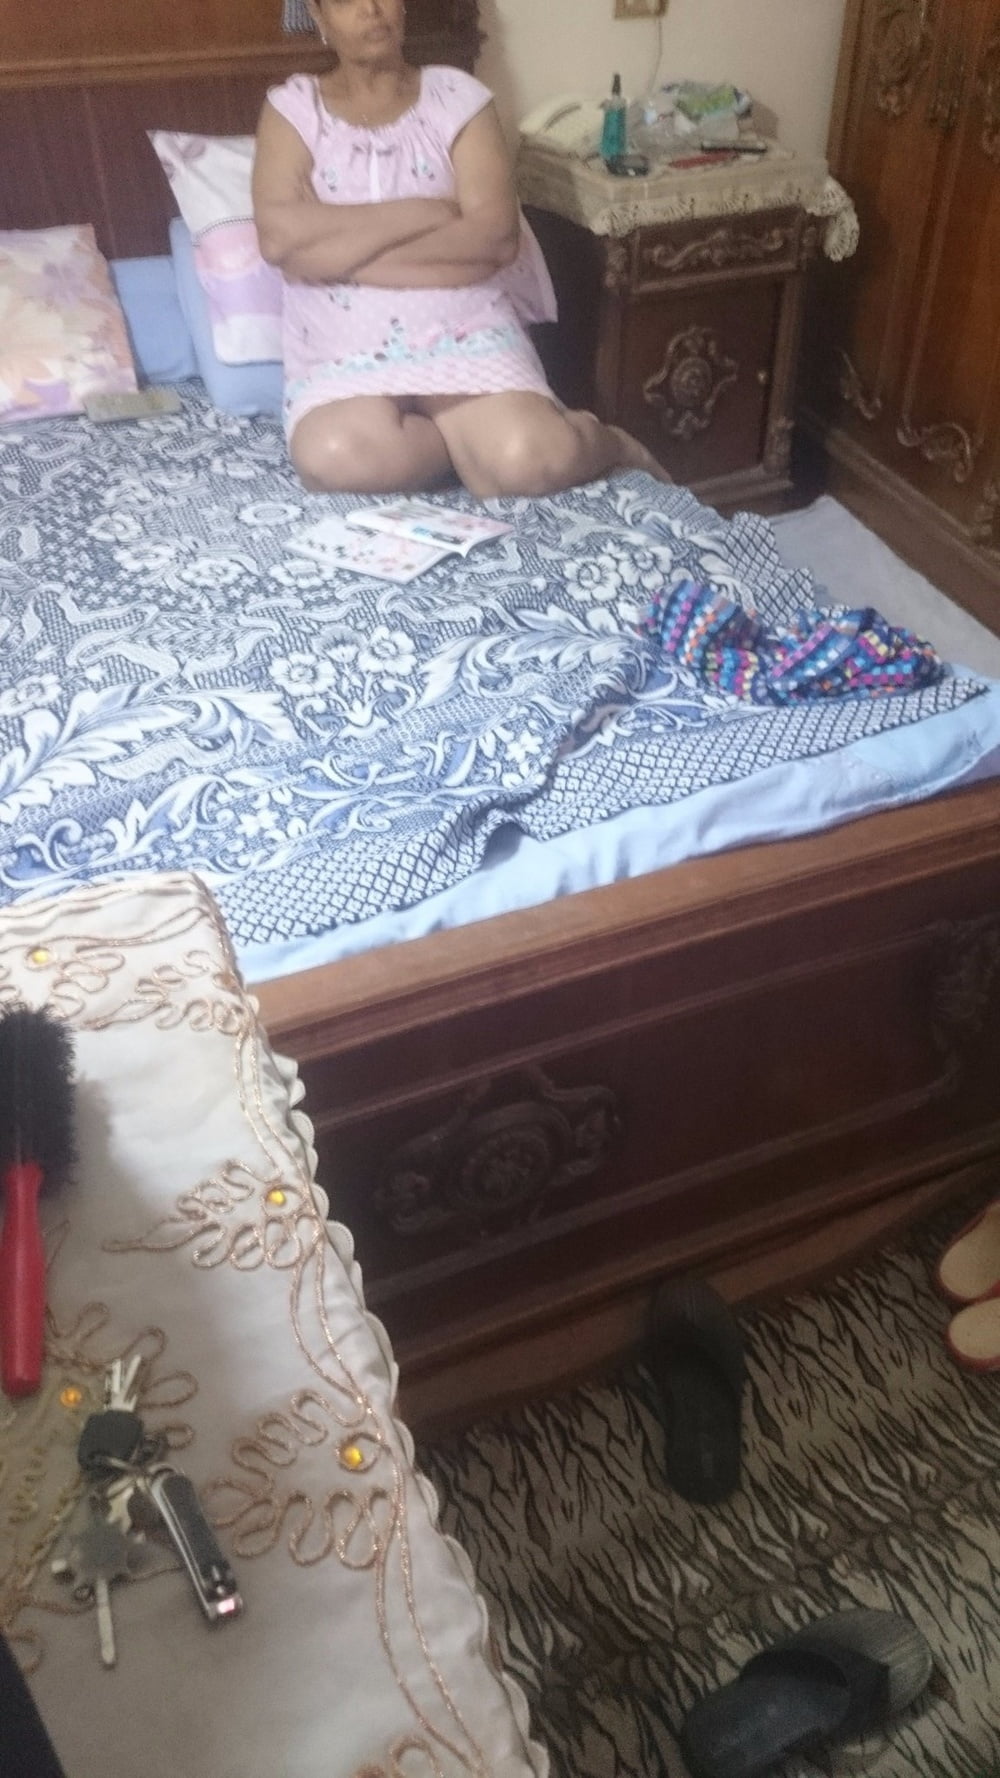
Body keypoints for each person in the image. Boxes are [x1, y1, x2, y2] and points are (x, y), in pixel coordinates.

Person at [252, 0, 670, 499]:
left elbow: (495, 239)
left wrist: (334, 256)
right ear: (319, 16)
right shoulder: (294, 109)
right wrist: (423, 211)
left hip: (463, 326)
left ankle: (611, 443)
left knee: (528, 461)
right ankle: (468, 450)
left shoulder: (457, 98)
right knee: (332, 458)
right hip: (342, 341)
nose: (371, 9)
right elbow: (278, 239)